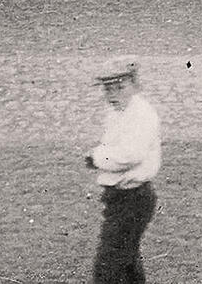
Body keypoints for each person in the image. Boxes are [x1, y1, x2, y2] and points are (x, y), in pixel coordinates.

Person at [85, 55, 160, 284]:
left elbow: (131, 154)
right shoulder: (118, 114)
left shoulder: (142, 114)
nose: (113, 95)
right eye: (108, 89)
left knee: (108, 267)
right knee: (126, 262)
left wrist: (96, 158)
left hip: (133, 198)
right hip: (119, 197)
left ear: (135, 85)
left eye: (120, 87)